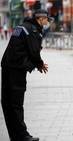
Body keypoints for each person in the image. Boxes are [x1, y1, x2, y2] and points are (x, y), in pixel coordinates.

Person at [1, 9, 53, 141]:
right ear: (40, 19)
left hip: (7, 66)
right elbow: (34, 52)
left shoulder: (21, 27)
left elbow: (16, 46)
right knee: (16, 103)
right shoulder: (33, 31)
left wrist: (36, 64)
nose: (47, 22)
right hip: (16, 69)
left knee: (7, 102)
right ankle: (22, 135)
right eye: (47, 19)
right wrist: (40, 64)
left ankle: (15, 135)